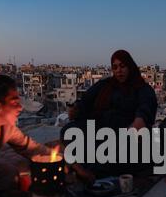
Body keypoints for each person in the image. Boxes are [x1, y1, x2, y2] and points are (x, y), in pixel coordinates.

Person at [61, 49, 158, 182]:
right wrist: (76, 109)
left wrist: (140, 119)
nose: (119, 70)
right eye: (115, 67)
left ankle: (88, 172)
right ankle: (85, 169)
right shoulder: (106, 85)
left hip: (125, 133)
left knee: (120, 153)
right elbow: (85, 102)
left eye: (123, 66)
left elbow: (146, 105)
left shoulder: (142, 88)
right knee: (68, 131)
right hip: (100, 128)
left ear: (130, 66)